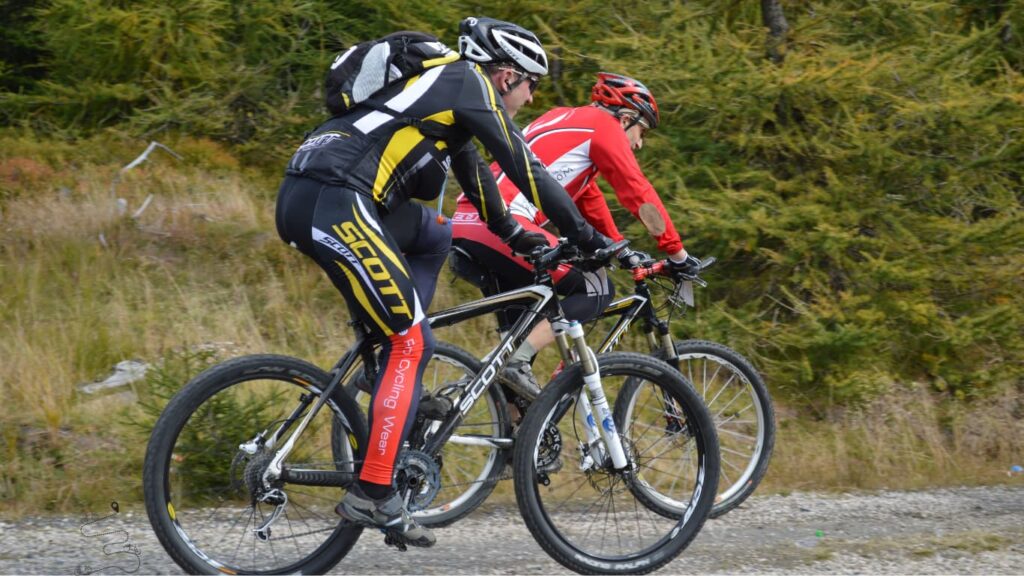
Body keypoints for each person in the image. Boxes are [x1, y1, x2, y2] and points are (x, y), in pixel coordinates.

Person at [275, 16, 611, 548]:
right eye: (532, 86)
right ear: (506, 77)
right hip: (336, 199)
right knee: (410, 341)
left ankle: (387, 367)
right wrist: (587, 237)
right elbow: (523, 164)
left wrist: (513, 234)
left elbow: (475, 173)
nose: (529, 98)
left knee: (435, 233)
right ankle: (373, 491)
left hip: (317, 192)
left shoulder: (443, 98)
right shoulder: (466, 81)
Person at [451, 72, 703, 399]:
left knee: (514, 360)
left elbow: (588, 200)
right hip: (502, 225)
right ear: (626, 118)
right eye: (641, 131)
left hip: (467, 220)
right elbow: (639, 194)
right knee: (596, 286)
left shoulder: (560, 118)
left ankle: (513, 440)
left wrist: (618, 249)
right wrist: (677, 254)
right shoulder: (603, 126)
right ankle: (517, 362)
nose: (639, 143)